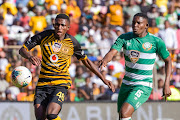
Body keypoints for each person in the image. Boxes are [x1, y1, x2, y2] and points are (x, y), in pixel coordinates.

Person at [19, 13, 115, 120]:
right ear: (54, 25)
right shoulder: (44, 36)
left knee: (51, 114)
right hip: (42, 84)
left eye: (62, 25)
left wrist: (103, 78)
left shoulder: (72, 42)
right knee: (40, 117)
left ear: (68, 27)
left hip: (60, 84)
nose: (59, 27)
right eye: (57, 25)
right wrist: (30, 57)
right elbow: (22, 49)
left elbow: (86, 61)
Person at [98, 13, 172, 120]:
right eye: (133, 23)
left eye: (138, 23)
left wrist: (166, 84)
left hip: (143, 85)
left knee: (125, 112)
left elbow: (168, 61)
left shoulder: (156, 41)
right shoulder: (124, 38)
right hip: (126, 84)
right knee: (122, 115)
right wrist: (105, 59)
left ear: (146, 25)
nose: (135, 25)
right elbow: (112, 52)